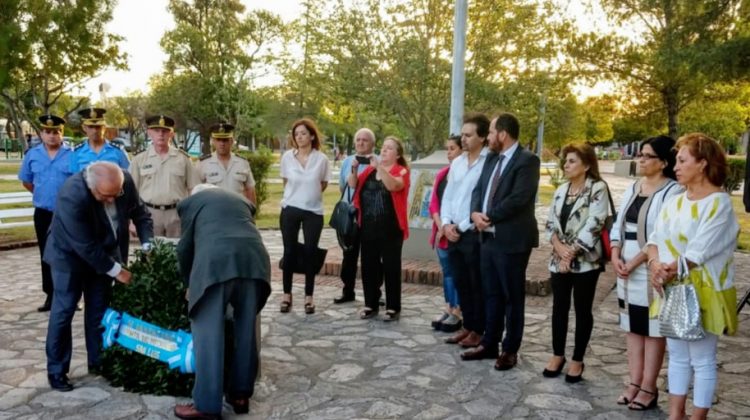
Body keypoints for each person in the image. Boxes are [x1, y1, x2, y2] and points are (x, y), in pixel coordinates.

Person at [647, 133, 739, 420]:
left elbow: (699, 251)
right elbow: (655, 238)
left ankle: (697, 417)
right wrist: (653, 264)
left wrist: (665, 270)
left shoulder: (719, 204)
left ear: (702, 164)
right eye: (676, 160)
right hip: (672, 289)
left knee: (702, 359)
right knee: (677, 357)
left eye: (683, 160)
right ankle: (676, 415)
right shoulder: (674, 201)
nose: (676, 166)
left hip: (705, 290)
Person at [43, 162, 153, 391]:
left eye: (116, 194)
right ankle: (57, 371)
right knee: (63, 312)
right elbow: (86, 247)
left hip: (105, 253)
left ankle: (98, 362)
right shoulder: (72, 194)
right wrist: (118, 272)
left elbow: (141, 214)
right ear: (91, 186)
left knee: (99, 311)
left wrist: (148, 246)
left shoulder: (123, 182)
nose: (112, 200)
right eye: (106, 196)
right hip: (69, 257)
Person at [173, 185, 271, 420]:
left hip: (215, 265)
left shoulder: (191, 203)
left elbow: (185, 248)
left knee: (208, 336)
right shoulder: (241, 201)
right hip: (255, 263)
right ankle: (240, 395)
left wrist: (189, 283)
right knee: (246, 329)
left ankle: (206, 406)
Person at [610, 136, 682, 409]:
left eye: (647, 155)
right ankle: (633, 381)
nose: (640, 159)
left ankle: (649, 387)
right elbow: (618, 223)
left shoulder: (672, 192)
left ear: (664, 162)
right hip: (625, 265)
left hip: (650, 266)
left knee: (652, 328)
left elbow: (660, 234)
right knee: (631, 326)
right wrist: (616, 254)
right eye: (640, 154)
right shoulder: (633, 187)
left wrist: (637, 261)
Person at [467, 112, 539, 371]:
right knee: (491, 293)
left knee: (512, 296)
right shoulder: (491, 159)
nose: (488, 137)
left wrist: (489, 216)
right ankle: (490, 343)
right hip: (486, 237)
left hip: (511, 240)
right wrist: (474, 213)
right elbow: (479, 190)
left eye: (491, 132)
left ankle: (510, 349)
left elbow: (519, 198)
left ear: (503, 134)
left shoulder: (528, 161)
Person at [543, 143, 608, 382]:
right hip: (558, 259)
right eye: (565, 161)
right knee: (559, 307)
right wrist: (559, 249)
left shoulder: (598, 188)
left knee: (582, 309)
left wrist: (570, 253)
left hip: (586, 261)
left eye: (571, 161)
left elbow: (596, 222)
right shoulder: (561, 189)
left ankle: (577, 359)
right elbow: (550, 223)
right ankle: (557, 354)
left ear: (587, 165)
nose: (566, 165)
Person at [440, 113, 491, 344]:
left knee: (475, 282)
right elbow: (448, 195)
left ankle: (479, 330)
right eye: (462, 134)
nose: (464, 139)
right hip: (452, 232)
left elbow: (482, 201)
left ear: (482, 137)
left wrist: (460, 226)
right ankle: (468, 325)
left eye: (469, 135)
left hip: (472, 232)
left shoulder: (489, 162)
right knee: (461, 281)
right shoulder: (458, 162)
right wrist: (445, 223)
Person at [350, 136, 410, 321]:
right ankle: (371, 303)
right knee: (369, 267)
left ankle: (393, 306)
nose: (384, 151)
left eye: (389, 148)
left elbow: (394, 185)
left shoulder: (401, 171)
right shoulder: (368, 170)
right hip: (368, 227)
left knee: (391, 267)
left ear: (397, 154)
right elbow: (353, 184)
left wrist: (380, 168)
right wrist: (354, 168)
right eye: (383, 147)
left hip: (391, 228)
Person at [18, 115, 73, 312]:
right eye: (47, 132)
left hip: (67, 214)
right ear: (41, 133)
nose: (51, 136)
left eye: (56, 132)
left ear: (62, 134)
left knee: (70, 254)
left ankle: (72, 295)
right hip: (43, 213)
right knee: (46, 254)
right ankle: (50, 295)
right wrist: (41, 194)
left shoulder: (72, 155)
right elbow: (26, 181)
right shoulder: (32, 155)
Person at [279, 118, 331, 314]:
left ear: (311, 135)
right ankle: (286, 295)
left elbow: (323, 184)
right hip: (290, 208)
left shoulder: (322, 159)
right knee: (289, 251)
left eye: (303, 133)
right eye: (296, 134)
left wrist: (310, 195)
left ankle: (309, 297)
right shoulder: (287, 158)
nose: (299, 137)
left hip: (313, 211)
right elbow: (286, 182)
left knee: (310, 252)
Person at [130, 115, 200, 237]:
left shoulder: (183, 159)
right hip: (149, 214)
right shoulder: (139, 159)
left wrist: (192, 216)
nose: (161, 134)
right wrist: (131, 220)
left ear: (171, 134)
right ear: (149, 133)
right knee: (151, 254)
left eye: (165, 131)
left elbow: (194, 189)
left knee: (177, 253)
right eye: (156, 131)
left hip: (176, 215)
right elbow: (131, 192)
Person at [334, 128, 376, 304]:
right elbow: (343, 186)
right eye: (358, 140)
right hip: (352, 214)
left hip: (371, 216)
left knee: (372, 257)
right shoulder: (348, 162)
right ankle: (347, 290)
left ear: (372, 144)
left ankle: (374, 294)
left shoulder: (377, 161)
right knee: (349, 255)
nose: (360, 143)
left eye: (365, 140)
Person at [429, 134, 464, 332]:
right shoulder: (443, 174)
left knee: (457, 272)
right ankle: (448, 307)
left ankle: (458, 310)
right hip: (442, 231)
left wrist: (448, 226)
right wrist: (440, 225)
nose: (448, 153)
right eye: (447, 148)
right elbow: (434, 202)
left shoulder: (464, 174)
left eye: (452, 148)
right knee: (447, 272)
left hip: (455, 231)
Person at [197, 122, 257, 205]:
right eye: (218, 140)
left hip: (237, 213)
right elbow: (196, 192)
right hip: (213, 213)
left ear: (232, 141)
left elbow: (250, 189)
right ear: (213, 141)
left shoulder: (242, 163)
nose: (222, 144)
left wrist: (251, 214)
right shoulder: (203, 164)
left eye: (225, 140)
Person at [69, 108, 129, 173]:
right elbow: (74, 178)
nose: (95, 131)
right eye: (91, 127)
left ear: (104, 127)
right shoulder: (77, 152)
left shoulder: (118, 151)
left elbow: (128, 176)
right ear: (84, 128)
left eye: (98, 127)